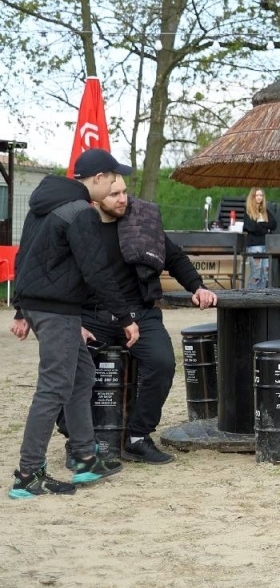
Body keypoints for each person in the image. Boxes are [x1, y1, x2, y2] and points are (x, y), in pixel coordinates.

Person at [8, 149, 136, 498]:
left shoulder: (45, 204)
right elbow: (96, 271)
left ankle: (84, 457)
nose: (114, 185)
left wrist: (21, 309)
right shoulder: (81, 211)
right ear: (99, 178)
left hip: (42, 305)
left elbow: (26, 256)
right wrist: (125, 317)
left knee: (81, 375)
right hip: (57, 310)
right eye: (113, 179)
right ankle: (28, 474)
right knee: (53, 387)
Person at [70, 174, 218, 463]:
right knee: (70, 368)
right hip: (94, 315)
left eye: (125, 192)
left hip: (140, 312)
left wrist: (197, 287)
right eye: (114, 194)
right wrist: (75, 321)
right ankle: (78, 442)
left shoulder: (142, 223)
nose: (123, 199)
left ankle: (138, 436)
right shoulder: (80, 227)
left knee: (162, 363)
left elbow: (174, 257)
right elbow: (62, 276)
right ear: (96, 197)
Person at [241, 187, 279, 289]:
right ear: (253, 197)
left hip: (265, 244)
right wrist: (266, 229)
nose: (259, 197)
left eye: (261, 195)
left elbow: (273, 224)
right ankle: (251, 294)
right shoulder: (248, 211)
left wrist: (261, 224)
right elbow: (252, 227)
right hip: (254, 245)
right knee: (256, 273)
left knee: (265, 272)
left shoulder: (265, 211)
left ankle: (262, 294)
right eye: (257, 195)